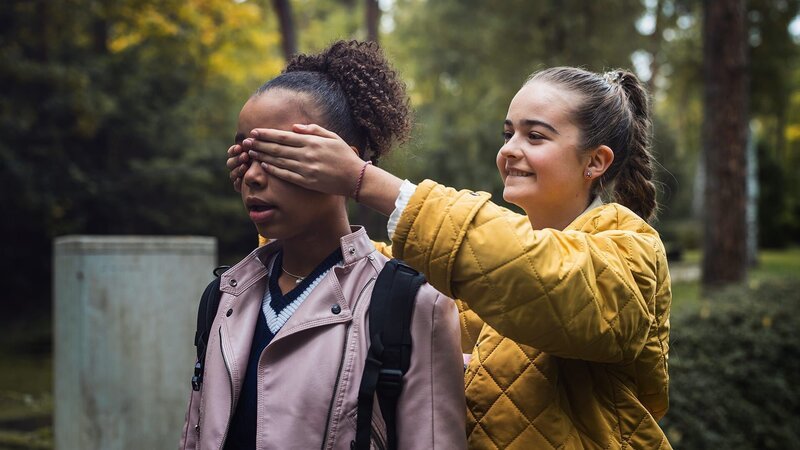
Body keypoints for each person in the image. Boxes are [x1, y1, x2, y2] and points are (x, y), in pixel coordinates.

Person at [229, 66, 673, 449]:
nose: (510, 149)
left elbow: (540, 278)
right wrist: (283, 195)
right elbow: (353, 274)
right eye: (508, 133)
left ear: (595, 162)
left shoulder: (630, 249)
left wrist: (367, 181)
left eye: (535, 136)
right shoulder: (471, 266)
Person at [181, 40, 467, 450]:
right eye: (246, 153)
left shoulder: (410, 304)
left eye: (279, 152)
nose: (252, 177)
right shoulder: (223, 296)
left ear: (340, 161)